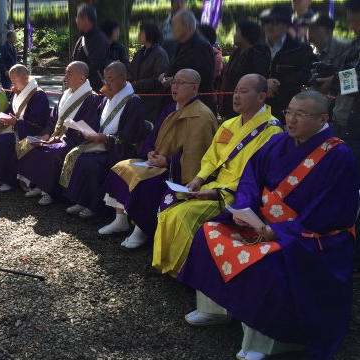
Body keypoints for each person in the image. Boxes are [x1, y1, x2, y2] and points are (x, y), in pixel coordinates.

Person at [179, 91, 359, 360]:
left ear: (323, 118)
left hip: (308, 235)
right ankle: (215, 308)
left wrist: (282, 230)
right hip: (260, 222)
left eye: (301, 114)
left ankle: (265, 340)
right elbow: (251, 177)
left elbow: (331, 209)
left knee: (267, 260)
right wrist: (245, 209)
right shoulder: (278, 143)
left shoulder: (339, 156)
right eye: (289, 111)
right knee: (210, 233)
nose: (291, 119)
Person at [152, 74, 284, 277]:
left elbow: (257, 177)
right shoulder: (229, 124)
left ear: (261, 97)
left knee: (182, 214)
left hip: (235, 194)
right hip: (212, 185)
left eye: (244, 91)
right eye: (236, 90)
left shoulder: (272, 131)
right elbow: (211, 158)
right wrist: (198, 179)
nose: (236, 96)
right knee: (168, 200)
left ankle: (192, 272)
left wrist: (218, 192)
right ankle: (171, 264)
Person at [100, 69, 218, 249]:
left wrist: (168, 161)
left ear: (194, 88)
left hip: (176, 170)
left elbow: (198, 155)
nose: (175, 86)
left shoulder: (201, 115)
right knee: (121, 167)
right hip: (155, 161)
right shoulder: (171, 108)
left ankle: (142, 230)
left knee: (148, 185)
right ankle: (120, 219)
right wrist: (149, 152)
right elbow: (152, 136)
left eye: (181, 83)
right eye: (174, 82)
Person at [62, 61, 145, 218]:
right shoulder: (107, 97)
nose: (107, 83)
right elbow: (97, 121)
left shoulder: (133, 101)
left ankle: (96, 206)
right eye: (105, 79)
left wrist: (104, 138)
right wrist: (85, 130)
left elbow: (129, 135)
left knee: (92, 163)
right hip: (102, 144)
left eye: (111, 79)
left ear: (124, 77)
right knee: (79, 156)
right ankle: (82, 200)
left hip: (120, 149)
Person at [16, 61, 102, 206]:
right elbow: (52, 117)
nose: (65, 76)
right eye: (66, 72)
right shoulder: (65, 94)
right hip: (55, 136)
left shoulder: (92, 99)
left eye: (69, 73)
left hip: (74, 140)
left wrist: (59, 138)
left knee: (51, 152)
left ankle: (50, 192)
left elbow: (87, 126)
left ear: (82, 78)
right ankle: (38, 184)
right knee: (30, 144)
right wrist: (46, 134)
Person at [0, 64, 50, 192]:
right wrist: (2, 117)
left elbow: (37, 123)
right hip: (15, 127)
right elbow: (11, 110)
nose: (12, 82)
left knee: (4, 143)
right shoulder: (18, 91)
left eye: (14, 79)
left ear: (25, 77)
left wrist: (16, 123)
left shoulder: (38, 95)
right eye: (11, 79)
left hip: (29, 131)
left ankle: (10, 180)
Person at [260, 4, 315, 121]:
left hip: (286, 112)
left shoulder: (300, 49)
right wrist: (263, 82)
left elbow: (308, 74)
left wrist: (279, 83)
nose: (270, 26)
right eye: (267, 22)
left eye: (275, 23)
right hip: (256, 109)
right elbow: (244, 73)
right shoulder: (254, 48)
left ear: (286, 26)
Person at [159, 9, 216, 112]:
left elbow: (205, 77)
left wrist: (177, 80)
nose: (172, 29)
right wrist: (165, 76)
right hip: (179, 102)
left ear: (187, 26)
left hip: (196, 105)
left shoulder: (201, 46)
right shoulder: (180, 44)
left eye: (175, 25)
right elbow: (175, 67)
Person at [219, 21, 271, 119]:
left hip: (247, 108)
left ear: (246, 34)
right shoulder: (236, 53)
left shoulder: (258, 54)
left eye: (237, 32)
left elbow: (257, 81)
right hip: (231, 107)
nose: (234, 35)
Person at [128, 22, 170, 124]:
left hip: (153, 101)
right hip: (138, 97)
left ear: (149, 34)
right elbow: (131, 71)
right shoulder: (140, 53)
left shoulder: (160, 54)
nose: (139, 34)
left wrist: (136, 85)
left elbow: (159, 79)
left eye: (142, 32)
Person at [72, 3, 109, 91]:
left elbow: (95, 66)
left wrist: (77, 76)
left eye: (78, 17)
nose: (76, 20)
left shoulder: (100, 39)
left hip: (96, 90)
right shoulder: (81, 39)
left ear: (85, 19)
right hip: (80, 88)